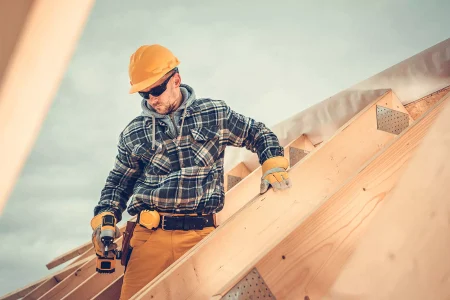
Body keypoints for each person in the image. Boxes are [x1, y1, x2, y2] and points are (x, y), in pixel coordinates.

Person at [90, 44, 292, 299]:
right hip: (149, 239)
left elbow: (258, 133)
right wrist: (105, 217)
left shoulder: (214, 114)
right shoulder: (134, 132)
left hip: (200, 235)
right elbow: (118, 184)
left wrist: (272, 162)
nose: (152, 99)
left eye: (156, 89)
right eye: (144, 93)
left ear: (176, 80)